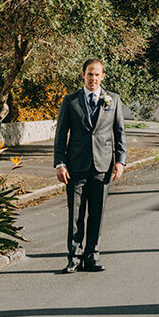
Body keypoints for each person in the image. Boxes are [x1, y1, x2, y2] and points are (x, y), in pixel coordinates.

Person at [53, 58, 127, 273]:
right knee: (75, 214)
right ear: (83, 75)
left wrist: (120, 161)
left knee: (97, 213)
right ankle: (74, 257)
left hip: (103, 166)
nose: (93, 78)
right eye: (89, 74)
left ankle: (92, 256)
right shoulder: (71, 100)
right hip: (75, 166)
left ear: (102, 76)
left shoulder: (113, 100)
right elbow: (61, 135)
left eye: (97, 74)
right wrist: (60, 163)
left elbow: (119, 132)